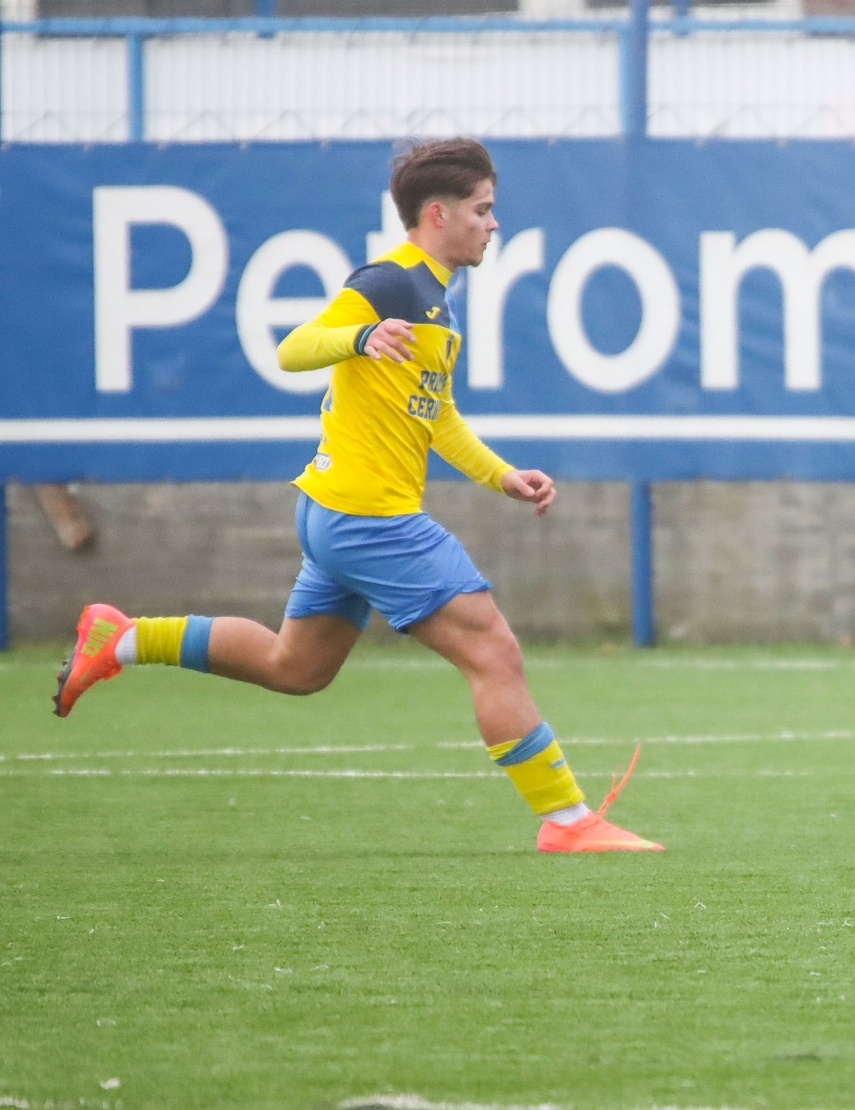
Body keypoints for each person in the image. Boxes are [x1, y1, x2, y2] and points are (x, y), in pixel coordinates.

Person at [54, 138, 661, 854]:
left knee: (296, 667)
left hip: (337, 513)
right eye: (482, 209)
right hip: (371, 517)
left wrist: (502, 475)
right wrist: (360, 334)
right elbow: (293, 348)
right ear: (438, 214)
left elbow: (436, 416)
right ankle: (567, 820)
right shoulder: (391, 282)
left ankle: (122, 638)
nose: (493, 223)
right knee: (493, 650)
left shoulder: (436, 302)